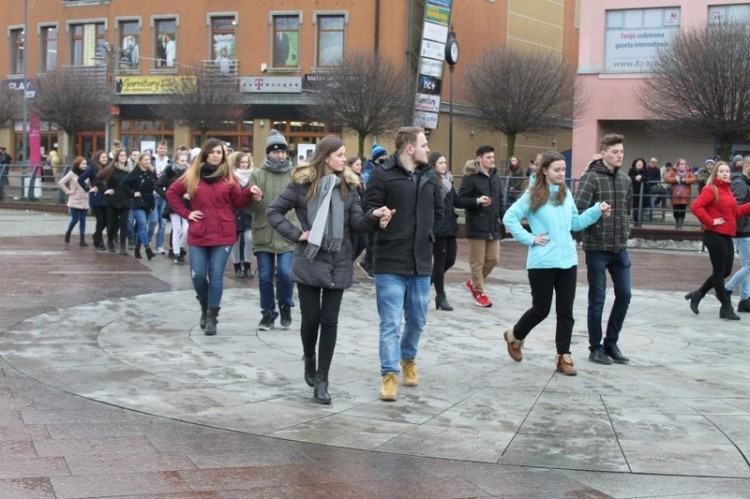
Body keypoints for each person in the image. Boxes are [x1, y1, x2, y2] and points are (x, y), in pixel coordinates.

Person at [268, 136, 390, 404]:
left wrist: (374, 215)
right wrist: (298, 235)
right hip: (309, 259)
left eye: (345, 155)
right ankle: (309, 357)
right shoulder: (302, 185)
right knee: (310, 320)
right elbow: (274, 211)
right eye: (339, 155)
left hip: (338, 261)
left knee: (330, 321)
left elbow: (357, 223)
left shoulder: (349, 186)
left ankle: (322, 378)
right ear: (325, 157)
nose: (343, 160)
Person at [503, 151, 610, 375]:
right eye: (556, 170)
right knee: (541, 309)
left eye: (563, 169)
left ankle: (564, 356)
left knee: (566, 311)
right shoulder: (533, 194)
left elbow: (576, 223)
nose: (561, 174)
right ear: (544, 170)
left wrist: (596, 210)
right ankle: (515, 335)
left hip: (567, 261)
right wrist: (530, 238)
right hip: (542, 262)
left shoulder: (566, 193)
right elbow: (509, 218)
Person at [363, 126, 443, 402]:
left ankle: (408, 358)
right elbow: (367, 210)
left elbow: (440, 210)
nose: (427, 149)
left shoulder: (429, 175)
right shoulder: (382, 174)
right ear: (409, 148)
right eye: (423, 144)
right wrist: (378, 217)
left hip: (421, 261)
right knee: (390, 322)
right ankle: (389, 374)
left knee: (418, 320)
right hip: (390, 261)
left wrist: (428, 234)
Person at [166, 138, 263, 335]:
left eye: (219, 152)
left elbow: (237, 200)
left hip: (223, 232)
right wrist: (187, 213)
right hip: (199, 232)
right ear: (205, 154)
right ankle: (204, 305)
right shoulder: (192, 175)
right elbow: (172, 193)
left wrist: (249, 192)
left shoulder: (228, 176)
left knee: (216, 275)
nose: (216, 155)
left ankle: (212, 316)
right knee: (199, 276)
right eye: (212, 152)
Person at [573, 133, 632, 365]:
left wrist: (626, 230)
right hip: (597, 247)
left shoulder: (626, 179)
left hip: (620, 248)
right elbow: (577, 210)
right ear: (604, 152)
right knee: (597, 299)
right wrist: (598, 213)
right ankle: (595, 347)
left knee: (625, 295)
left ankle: (611, 343)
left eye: (621, 152)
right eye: (615, 151)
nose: (619, 155)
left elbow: (627, 210)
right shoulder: (591, 178)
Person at [247, 130, 299, 331]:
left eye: (283, 151)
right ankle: (268, 313)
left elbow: (304, 202)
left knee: (286, 273)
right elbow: (246, 207)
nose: (280, 155)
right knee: (266, 276)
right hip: (264, 231)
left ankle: (286, 305)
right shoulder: (257, 175)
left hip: (288, 232)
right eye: (275, 151)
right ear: (268, 153)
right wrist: (253, 199)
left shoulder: (295, 175)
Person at [686, 161, 750, 321]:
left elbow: (736, 212)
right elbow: (696, 207)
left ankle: (699, 294)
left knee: (725, 271)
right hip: (714, 235)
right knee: (720, 272)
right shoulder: (711, 189)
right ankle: (726, 307)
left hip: (726, 234)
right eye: (721, 171)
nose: (725, 174)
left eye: (727, 171)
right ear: (715, 174)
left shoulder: (727, 191)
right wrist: (711, 221)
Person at [456, 145, 505, 307]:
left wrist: (505, 219)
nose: (491, 160)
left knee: (493, 259)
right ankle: (479, 292)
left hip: (493, 225)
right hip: (477, 224)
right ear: (479, 159)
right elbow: (460, 200)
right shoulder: (470, 178)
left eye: (492, 157)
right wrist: (477, 201)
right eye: (488, 157)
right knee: (477, 262)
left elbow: (499, 201)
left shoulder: (495, 177)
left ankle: (473, 282)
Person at [429, 151, 458, 311]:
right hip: (438, 226)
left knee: (451, 260)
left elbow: (457, 200)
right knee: (439, 262)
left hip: (450, 226)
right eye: (440, 162)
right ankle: (441, 296)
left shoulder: (448, 181)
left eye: (445, 162)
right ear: (433, 164)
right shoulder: (431, 181)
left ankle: (427, 282)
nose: (444, 165)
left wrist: (477, 201)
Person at [357, 144, 388, 278]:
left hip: (381, 209)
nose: (385, 158)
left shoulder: (381, 170)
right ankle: (368, 264)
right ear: (377, 157)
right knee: (370, 240)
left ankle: (369, 263)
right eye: (383, 156)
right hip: (370, 209)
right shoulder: (370, 172)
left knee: (373, 240)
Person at [155, 150, 190, 264]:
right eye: (181, 160)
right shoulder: (170, 172)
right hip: (173, 204)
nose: (184, 163)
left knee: (186, 229)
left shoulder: (189, 172)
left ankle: (180, 248)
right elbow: (157, 185)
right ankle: (176, 253)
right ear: (176, 161)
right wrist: (167, 196)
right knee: (177, 229)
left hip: (185, 204)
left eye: (185, 160)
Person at [120, 153, 157, 261]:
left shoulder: (151, 172)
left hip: (149, 202)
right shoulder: (135, 172)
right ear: (140, 161)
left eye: (149, 159)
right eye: (145, 159)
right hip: (137, 203)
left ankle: (137, 248)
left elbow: (156, 183)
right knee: (143, 224)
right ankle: (147, 248)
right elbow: (123, 184)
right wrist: (133, 193)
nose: (147, 161)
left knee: (143, 227)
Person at [724, 155, 750, 312]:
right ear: (746, 166)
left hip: (746, 229)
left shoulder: (746, 183)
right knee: (749, 265)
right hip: (742, 230)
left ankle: (745, 299)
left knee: (747, 265)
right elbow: (736, 208)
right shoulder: (740, 183)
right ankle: (727, 289)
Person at [100, 149, 132, 255]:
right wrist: (106, 190)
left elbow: (134, 183)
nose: (123, 157)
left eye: (124, 155)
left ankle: (123, 247)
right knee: (112, 223)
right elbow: (98, 180)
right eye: (121, 155)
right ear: (117, 157)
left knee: (124, 223)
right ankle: (109, 241)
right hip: (113, 200)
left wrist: (134, 192)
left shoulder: (130, 169)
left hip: (126, 200)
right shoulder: (111, 169)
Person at [228, 151, 254, 277]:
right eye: (242, 162)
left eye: (246, 162)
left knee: (249, 238)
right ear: (237, 163)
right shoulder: (232, 176)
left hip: (249, 212)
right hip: (235, 212)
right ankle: (237, 266)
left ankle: (248, 265)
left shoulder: (253, 176)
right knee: (236, 241)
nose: (244, 165)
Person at [77, 150, 109, 250]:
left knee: (106, 220)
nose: (105, 159)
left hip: (107, 197)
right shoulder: (93, 168)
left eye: (106, 157)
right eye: (103, 157)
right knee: (100, 220)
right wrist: (88, 189)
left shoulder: (108, 167)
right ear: (98, 158)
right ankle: (100, 241)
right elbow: (80, 179)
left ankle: (96, 235)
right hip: (96, 197)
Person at [58, 157, 90, 247]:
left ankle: (82, 239)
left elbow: (91, 183)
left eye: (85, 163)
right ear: (77, 165)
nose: (85, 165)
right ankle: (68, 232)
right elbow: (61, 182)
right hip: (74, 199)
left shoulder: (87, 173)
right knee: (75, 219)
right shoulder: (72, 173)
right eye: (83, 164)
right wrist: (68, 191)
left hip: (84, 199)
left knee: (83, 220)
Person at [150, 141, 172, 254]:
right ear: (157, 149)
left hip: (164, 195)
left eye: (164, 148)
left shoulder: (169, 163)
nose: (163, 150)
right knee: (153, 221)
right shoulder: (152, 160)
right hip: (153, 195)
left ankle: (159, 245)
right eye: (161, 147)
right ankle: (147, 241)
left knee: (163, 223)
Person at [664, 158, 697, 229]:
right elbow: (666, 178)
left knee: (682, 210)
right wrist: (674, 179)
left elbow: (694, 178)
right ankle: (677, 223)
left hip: (684, 194)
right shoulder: (673, 171)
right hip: (675, 194)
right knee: (675, 210)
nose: (682, 165)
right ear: (678, 165)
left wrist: (686, 180)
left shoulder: (689, 172)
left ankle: (680, 225)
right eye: (681, 164)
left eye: (684, 164)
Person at [347, 155, 368, 263]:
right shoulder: (348, 180)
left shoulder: (361, 179)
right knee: (353, 244)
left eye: (360, 164)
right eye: (357, 164)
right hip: (352, 218)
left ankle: (348, 265)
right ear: (350, 166)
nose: (360, 167)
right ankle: (348, 268)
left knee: (363, 242)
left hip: (361, 216)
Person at [628, 157, 649, 227]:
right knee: (635, 210)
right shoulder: (631, 170)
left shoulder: (646, 170)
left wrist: (641, 178)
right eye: (638, 163)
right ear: (635, 164)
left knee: (642, 210)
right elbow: (628, 178)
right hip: (634, 193)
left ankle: (640, 224)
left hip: (644, 193)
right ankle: (636, 224)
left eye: (641, 163)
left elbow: (648, 178)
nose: (639, 164)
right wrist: (635, 178)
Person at [644, 157, 663, 222]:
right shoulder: (646, 169)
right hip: (646, 188)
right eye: (652, 162)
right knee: (646, 202)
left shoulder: (657, 170)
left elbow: (658, 178)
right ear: (650, 162)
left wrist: (651, 179)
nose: (653, 163)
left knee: (652, 202)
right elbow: (646, 177)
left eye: (654, 162)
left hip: (654, 189)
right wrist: (652, 179)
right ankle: (646, 216)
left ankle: (650, 217)